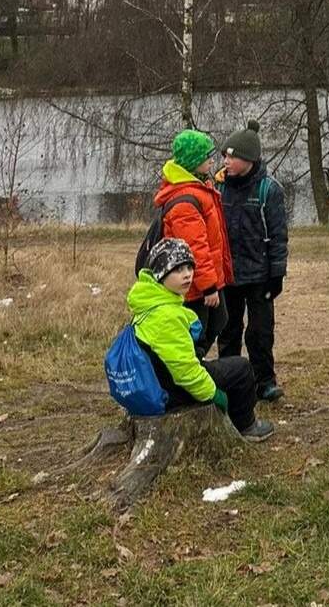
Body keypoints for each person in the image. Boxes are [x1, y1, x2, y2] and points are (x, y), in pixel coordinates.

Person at [130, 238, 273, 441]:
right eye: (178, 269)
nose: (187, 274)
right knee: (241, 369)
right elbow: (185, 372)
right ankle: (246, 426)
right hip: (170, 389)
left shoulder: (150, 300)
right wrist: (214, 394)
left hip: (156, 378)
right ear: (161, 275)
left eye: (189, 267)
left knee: (214, 364)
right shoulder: (166, 316)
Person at [216, 120, 289, 403]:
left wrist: (277, 273)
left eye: (232, 156)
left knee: (260, 332)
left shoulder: (269, 190)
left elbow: (278, 235)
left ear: (249, 160)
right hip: (229, 275)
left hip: (259, 276)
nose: (226, 161)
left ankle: (264, 381)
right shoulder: (218, 188)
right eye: (225, 155)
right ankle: (230, 381)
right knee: (228, 331)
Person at [155, 129, 233, 357]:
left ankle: (191, 373)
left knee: (217, 321)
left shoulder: (199, 186)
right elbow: (194, 247)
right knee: (198, 334)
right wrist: (208, 286)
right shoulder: (185, 201)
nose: (211, 159)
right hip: (193, 285)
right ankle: (186, 377)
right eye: (205, 155)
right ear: (193, 161)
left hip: (203, 279)